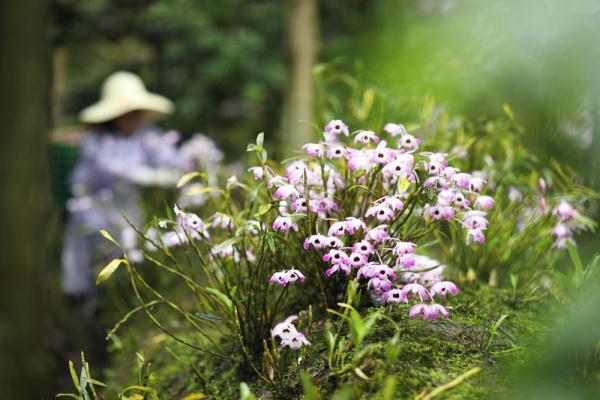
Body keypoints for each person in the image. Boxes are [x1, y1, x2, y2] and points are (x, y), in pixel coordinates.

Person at [61, 71, 179, 312]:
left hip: (135, 211)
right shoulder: (96, 141)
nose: (132, 118)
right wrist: (144, 174)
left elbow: (171, 165)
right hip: (96, 212)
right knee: (93, 258)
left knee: (136, 255)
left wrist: (165, 175)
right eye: (126, 113)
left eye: (136, 112)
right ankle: (87, 306)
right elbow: (107, 170)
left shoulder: (150, 135)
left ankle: (129, 303)